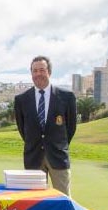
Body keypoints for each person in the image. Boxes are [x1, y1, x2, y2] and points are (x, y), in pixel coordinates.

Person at [13, 55, 76, 196]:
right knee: (34, 202)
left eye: (42, 70)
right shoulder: (21, 99)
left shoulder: (66, 97)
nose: (38, 74)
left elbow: (71, 128)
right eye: (34, 71)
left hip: (58, 157)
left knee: (63, 200)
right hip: (33, 157)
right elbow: (22, 128)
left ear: (49, 72)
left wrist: (58, 144)